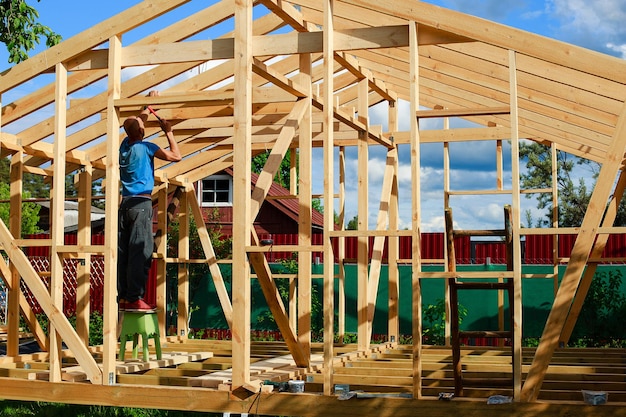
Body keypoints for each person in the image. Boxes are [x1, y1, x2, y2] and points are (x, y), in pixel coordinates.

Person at [117, 90, 181, 312]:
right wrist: (169, 132)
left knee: (124, 251)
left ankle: (124, 297)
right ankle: (135, 297)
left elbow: (135, 125)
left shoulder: (124, 147)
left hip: (124, 204)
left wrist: (147, 107)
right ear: (142, 132)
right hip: (141, 206)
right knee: (141, 250)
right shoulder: (147, 147)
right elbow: (176, 156)